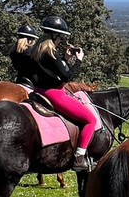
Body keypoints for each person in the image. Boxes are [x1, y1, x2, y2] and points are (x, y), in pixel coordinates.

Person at [30, 15, 98, 171]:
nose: (60, 40)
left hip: (38, 90)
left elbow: (51, 70)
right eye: (59, 37)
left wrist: (66, 59)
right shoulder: (50, 53)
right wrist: (78, 60)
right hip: (54, 93)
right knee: (90, 120)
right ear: (53, 36)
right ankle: (79, 158)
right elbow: (66, 77)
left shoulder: (37, 50)